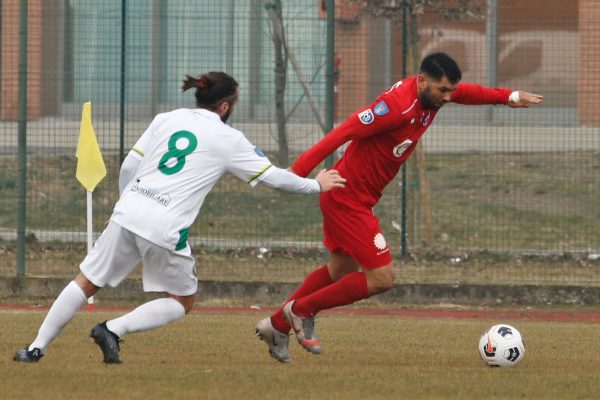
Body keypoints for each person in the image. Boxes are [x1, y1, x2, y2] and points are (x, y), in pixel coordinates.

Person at [14, 71, 346, 364]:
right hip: (164, 225)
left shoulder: (166, 118)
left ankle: (35, 349)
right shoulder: (228, 139)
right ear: (226, 106)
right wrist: (316, 184)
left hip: (128, 210)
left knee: (86, 282)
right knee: (182, 300)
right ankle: (112, 329)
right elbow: (274, 177)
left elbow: (130, 165)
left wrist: (121, 203)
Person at [256, 52, 543, 363]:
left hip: (357, 197)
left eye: (450, 91)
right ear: (422, 81)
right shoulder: (395, 108)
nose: (449, 97)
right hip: (346, 198)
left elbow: (466, 91)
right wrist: (294, 176)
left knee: (341, 270)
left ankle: (276, 325)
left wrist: (508, 96)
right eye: (443, 91)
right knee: (381, 278)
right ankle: (300, 310)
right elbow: (343, 132)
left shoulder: (430, 97)